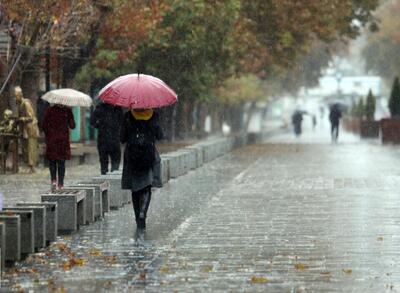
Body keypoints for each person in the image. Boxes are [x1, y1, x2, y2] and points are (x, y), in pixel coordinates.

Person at [120, 108, 163, 230]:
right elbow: (160, 135)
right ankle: (143, 212)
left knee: (135, 189)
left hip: (132, 156)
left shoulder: (128, 116)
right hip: (148, 155)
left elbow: (122, 138)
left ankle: (138, 218)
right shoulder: (154, 115)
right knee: (147, 186)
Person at [42, 104, 76, 191]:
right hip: (62, 141)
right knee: (61, 163)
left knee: (52, 161)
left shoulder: (49, 110)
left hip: (52, 140)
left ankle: (53, 180)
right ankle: (61, 184)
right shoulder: (67, 111)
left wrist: (49, 134)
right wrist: (70, 118)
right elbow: (72, 126)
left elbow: (44, 125)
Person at [91, 102, 123, 175]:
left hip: (103, 139)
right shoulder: (118, 108)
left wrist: (100, 125)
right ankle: (113, 180)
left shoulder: (99, 108)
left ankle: (104, 180)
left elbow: (92, 122)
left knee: (103, 163)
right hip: (114, 139)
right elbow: (122, 122)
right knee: (115, 163)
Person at [15, 86, 40, 173]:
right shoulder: (20, 104)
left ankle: (32, 167)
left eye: (16, 96)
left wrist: (22, 119)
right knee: (26, 148)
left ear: (19, 95)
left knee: (31, 148)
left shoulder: (26, 103)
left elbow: (30, 117)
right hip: (26, 129)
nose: (15, 98)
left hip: (31, 129)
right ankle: (30, 166)